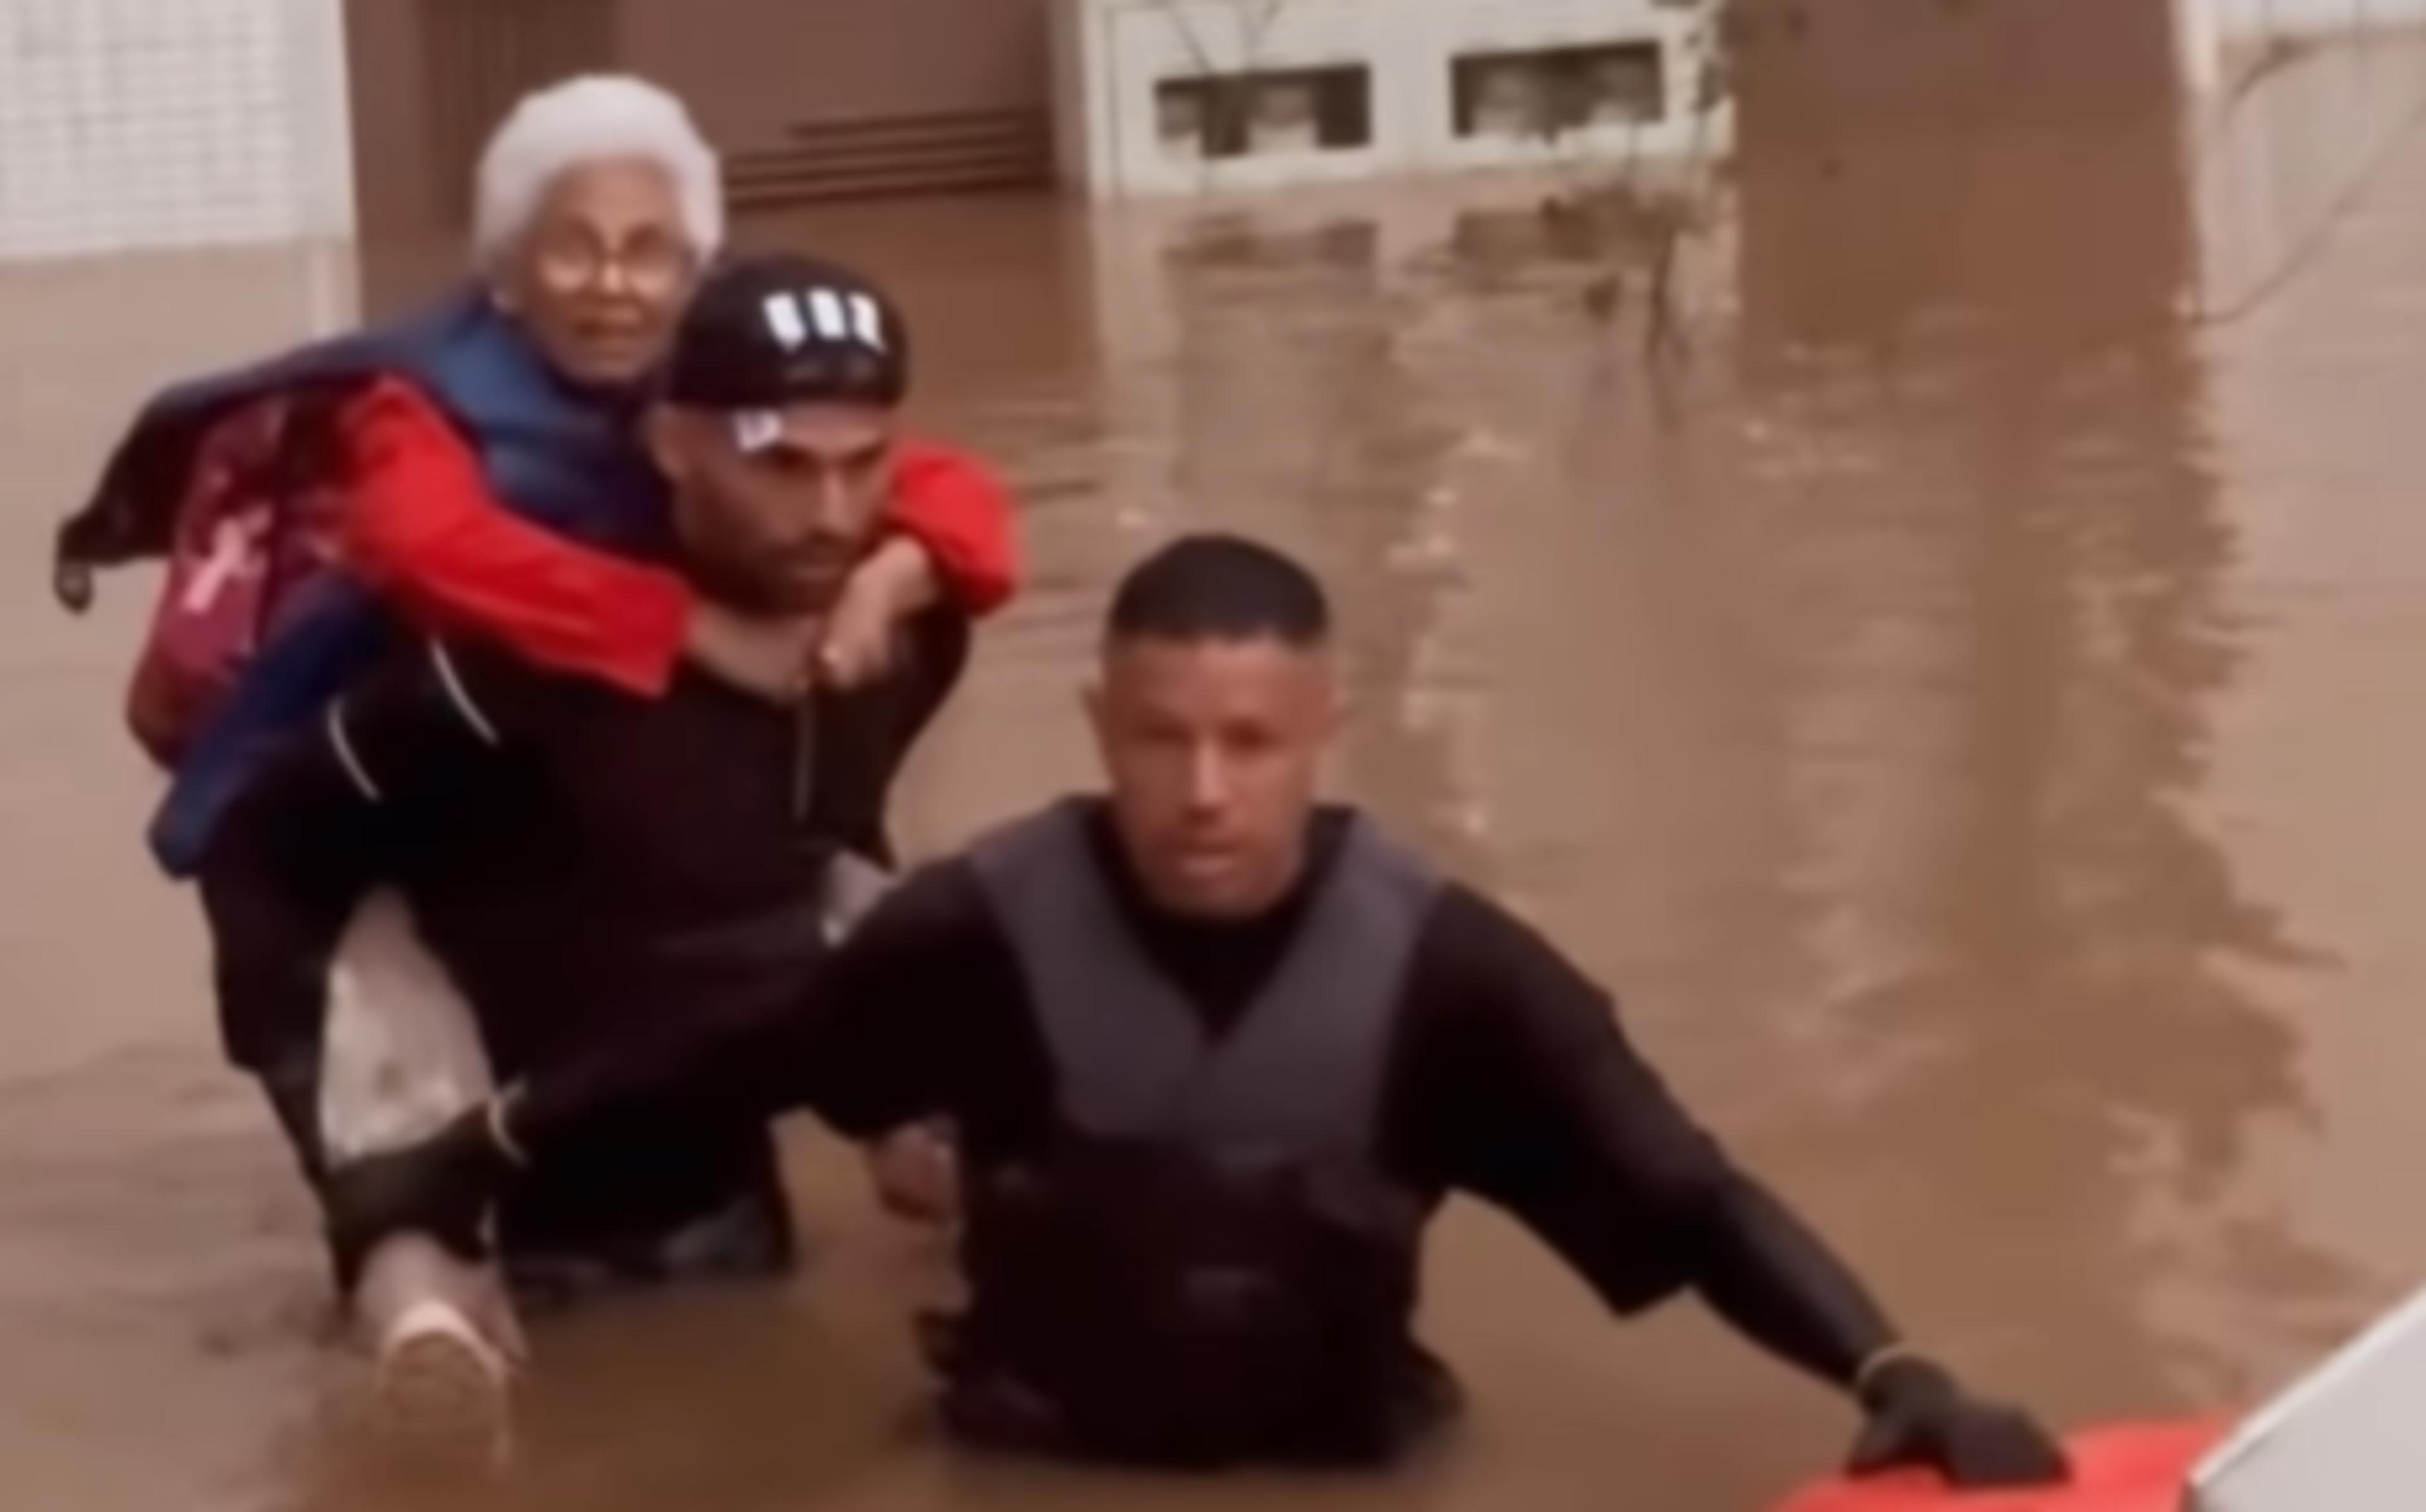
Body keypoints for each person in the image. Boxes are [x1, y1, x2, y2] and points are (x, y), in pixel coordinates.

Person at [325, 536, 2076, 1483]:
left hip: (1353, 1469)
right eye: (1164, 739)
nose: (1207, 789)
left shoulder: (1453, 974)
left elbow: (1685, 1194)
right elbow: (740, 1052)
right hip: (1028, 1465)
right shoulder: (981, 933)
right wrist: (459, 1158)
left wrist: (1893, 1366)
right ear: (1100, 728)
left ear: (1325, 731)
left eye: (1252, 744)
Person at [200, 252, 971, 1456]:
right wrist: (343, 1130)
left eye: (860, 465)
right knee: (424, 1293)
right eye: (779, 464)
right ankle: (408, 1290)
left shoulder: (907, 637)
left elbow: (827, 819)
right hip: (493, 1171)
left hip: (716, 1182)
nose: (829, 514)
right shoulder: (513, 665)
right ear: (670, 445)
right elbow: (259, 844)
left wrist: (891, 1090)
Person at [54, 73, 1017, 877]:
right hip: (378, 737)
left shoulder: (709, 385)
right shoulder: (417, 397)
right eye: (573, 248)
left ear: (692, 274)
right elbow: (423, 547)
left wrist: (886, 584)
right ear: (509, 271)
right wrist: (690, 626)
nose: (611, 287)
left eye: (647, 252)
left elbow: (957, 498)